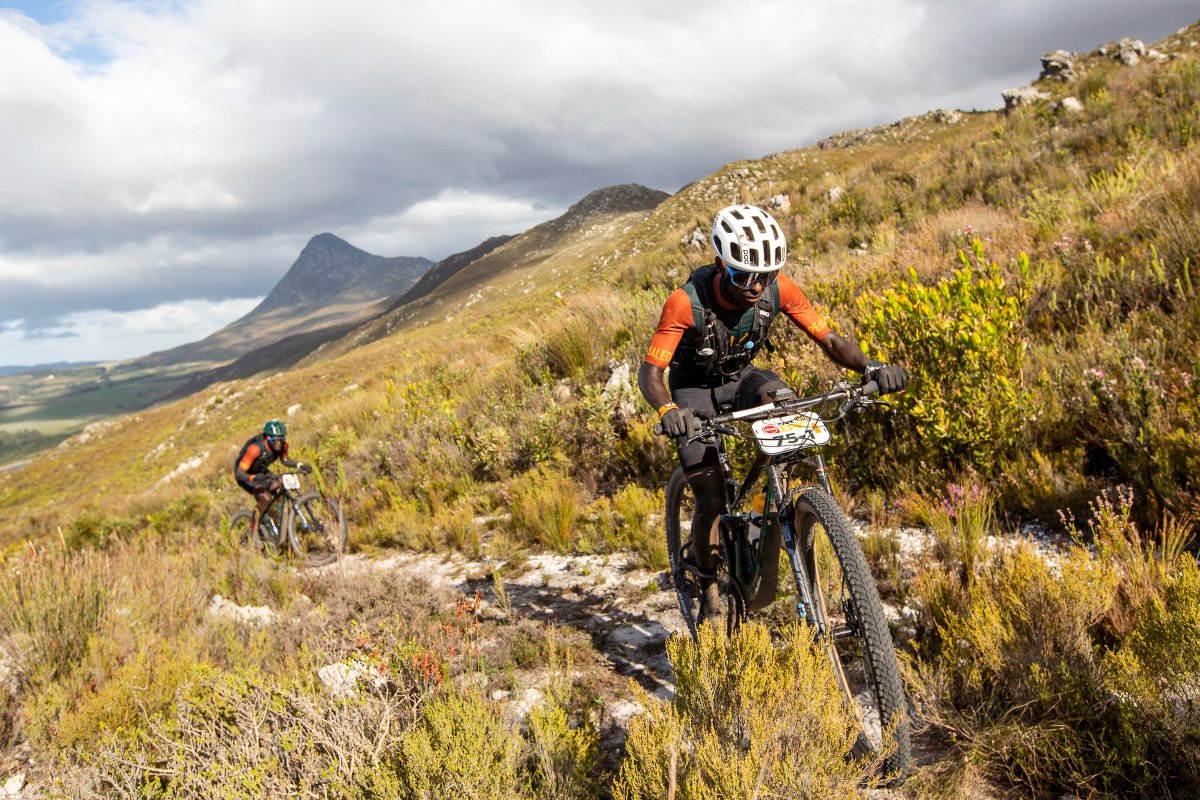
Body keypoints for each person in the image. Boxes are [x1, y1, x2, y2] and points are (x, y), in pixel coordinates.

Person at [638, 203, 907, 626]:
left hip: (742, 376)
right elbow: (650, 373)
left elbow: (831, 341)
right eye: (743, 275)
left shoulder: (780, 289)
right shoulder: (684, 303)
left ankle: (784, 509)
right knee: (710, 494)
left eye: (766, 275)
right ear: (719, 264)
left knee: (785, 404)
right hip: (693, 390)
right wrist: (669, 409)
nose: (757, 286)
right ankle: (708, 586)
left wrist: (871, 367)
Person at [233, 419, 311, 538]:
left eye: (281, 439)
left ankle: (276, 519)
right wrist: (252, 477)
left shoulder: (283, 445)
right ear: (267, 438)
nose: (278, 443)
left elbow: (284, 460)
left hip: (261, 470)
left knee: (279, 488)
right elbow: (239, 473)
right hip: (245, 474)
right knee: (265, 497)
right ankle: (253, 529)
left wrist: (300, 465)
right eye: (274, 440)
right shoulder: (255, 449)